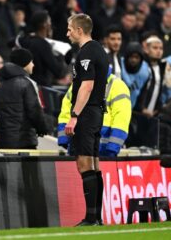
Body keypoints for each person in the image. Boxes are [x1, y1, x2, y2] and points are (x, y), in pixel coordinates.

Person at [65, 13, 109, 226]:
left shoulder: (87, 52)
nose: (67, 33)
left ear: (80, 30)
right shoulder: (99, 49)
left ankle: (91, 218)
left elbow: (87, 85)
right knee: (94, 163)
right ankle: (96, 217)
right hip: (96, 112)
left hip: (87, 112)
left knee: (84, 163)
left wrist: (74, 116)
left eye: (70, 29)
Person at [58, 72, 131, 157]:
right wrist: (64, 139)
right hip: (78, 147)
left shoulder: (117, 86)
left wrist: (113, 147)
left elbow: (121, 119)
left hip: (103, 150)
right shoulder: (78, 83)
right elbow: (66, 111)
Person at [0, 48, 47, 149]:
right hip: (25, 141)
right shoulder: (26, 83)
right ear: (25, 63)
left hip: (4, 142)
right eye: (31, 62)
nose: (33, 65)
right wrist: (42, 128)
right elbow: (34, 110)